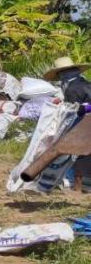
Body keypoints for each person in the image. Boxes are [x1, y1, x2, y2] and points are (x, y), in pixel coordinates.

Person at [44, 56, 91, 191]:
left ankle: (77, 185)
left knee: (79, 153)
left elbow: (78, 109)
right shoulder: (83, 83)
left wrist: (83, 109)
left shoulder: (72, 88)